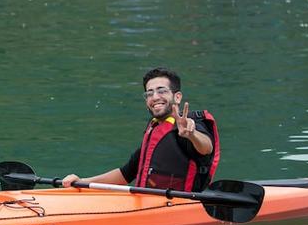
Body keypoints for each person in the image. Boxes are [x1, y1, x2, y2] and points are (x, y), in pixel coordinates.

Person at [62, 67, 219, 193]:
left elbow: (206, 148)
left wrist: (192, 135)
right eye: (149, 93)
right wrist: (82, 182)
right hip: (147, 204)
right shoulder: (154, 128)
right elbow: (126, 173)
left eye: (162, 91)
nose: (155, 97)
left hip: (177, 207)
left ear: (177, 97)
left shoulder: (189, 124)